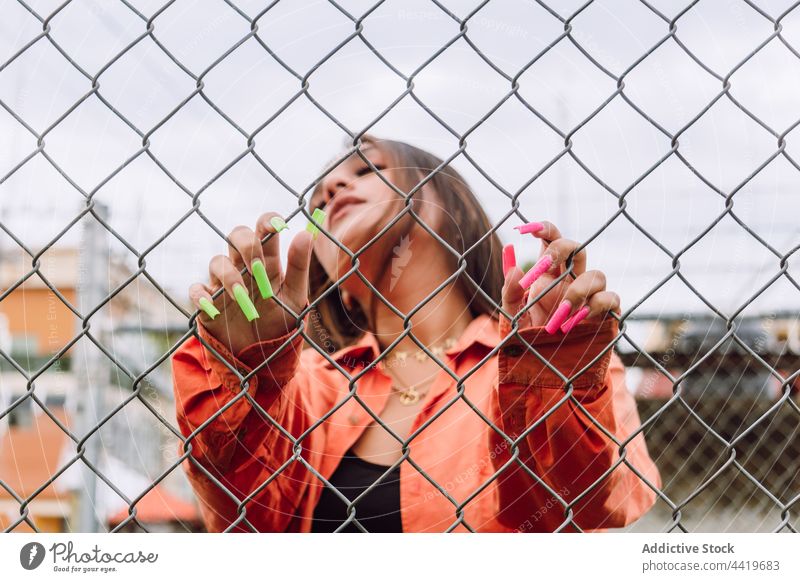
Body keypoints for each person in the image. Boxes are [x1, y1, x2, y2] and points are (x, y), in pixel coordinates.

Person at [170, 133, 661, 533]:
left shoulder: (546, 354)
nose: (334, 185)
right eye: (320, 199)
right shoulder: (304, 387)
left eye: (368, 169)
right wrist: (244, 365)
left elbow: (589, 504)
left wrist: (547, 374)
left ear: (449, 207)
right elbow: (238, 512)